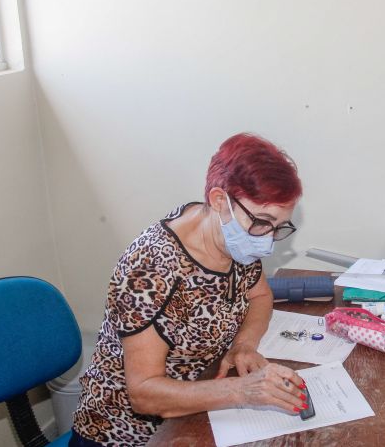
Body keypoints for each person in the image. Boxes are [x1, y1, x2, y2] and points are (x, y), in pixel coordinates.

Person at [71, 133, 308, 446]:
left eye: (279, 227)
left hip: (200, 407)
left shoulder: (231, 236)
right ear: (219, 200)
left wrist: (245, 345)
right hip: (129, 434)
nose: (267, 239)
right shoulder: (151, 268)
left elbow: (260, 295)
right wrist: (242, 390)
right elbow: (144, 394)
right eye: (263, 222)